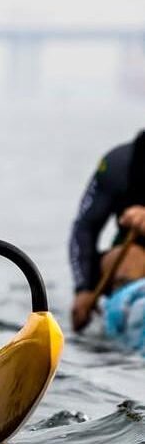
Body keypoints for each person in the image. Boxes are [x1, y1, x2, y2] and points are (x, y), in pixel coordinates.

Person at [69, 131, 145, 332]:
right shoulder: (118, 164)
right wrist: (83, 289)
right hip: (135, 255)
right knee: (128, 259)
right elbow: (85, 228)